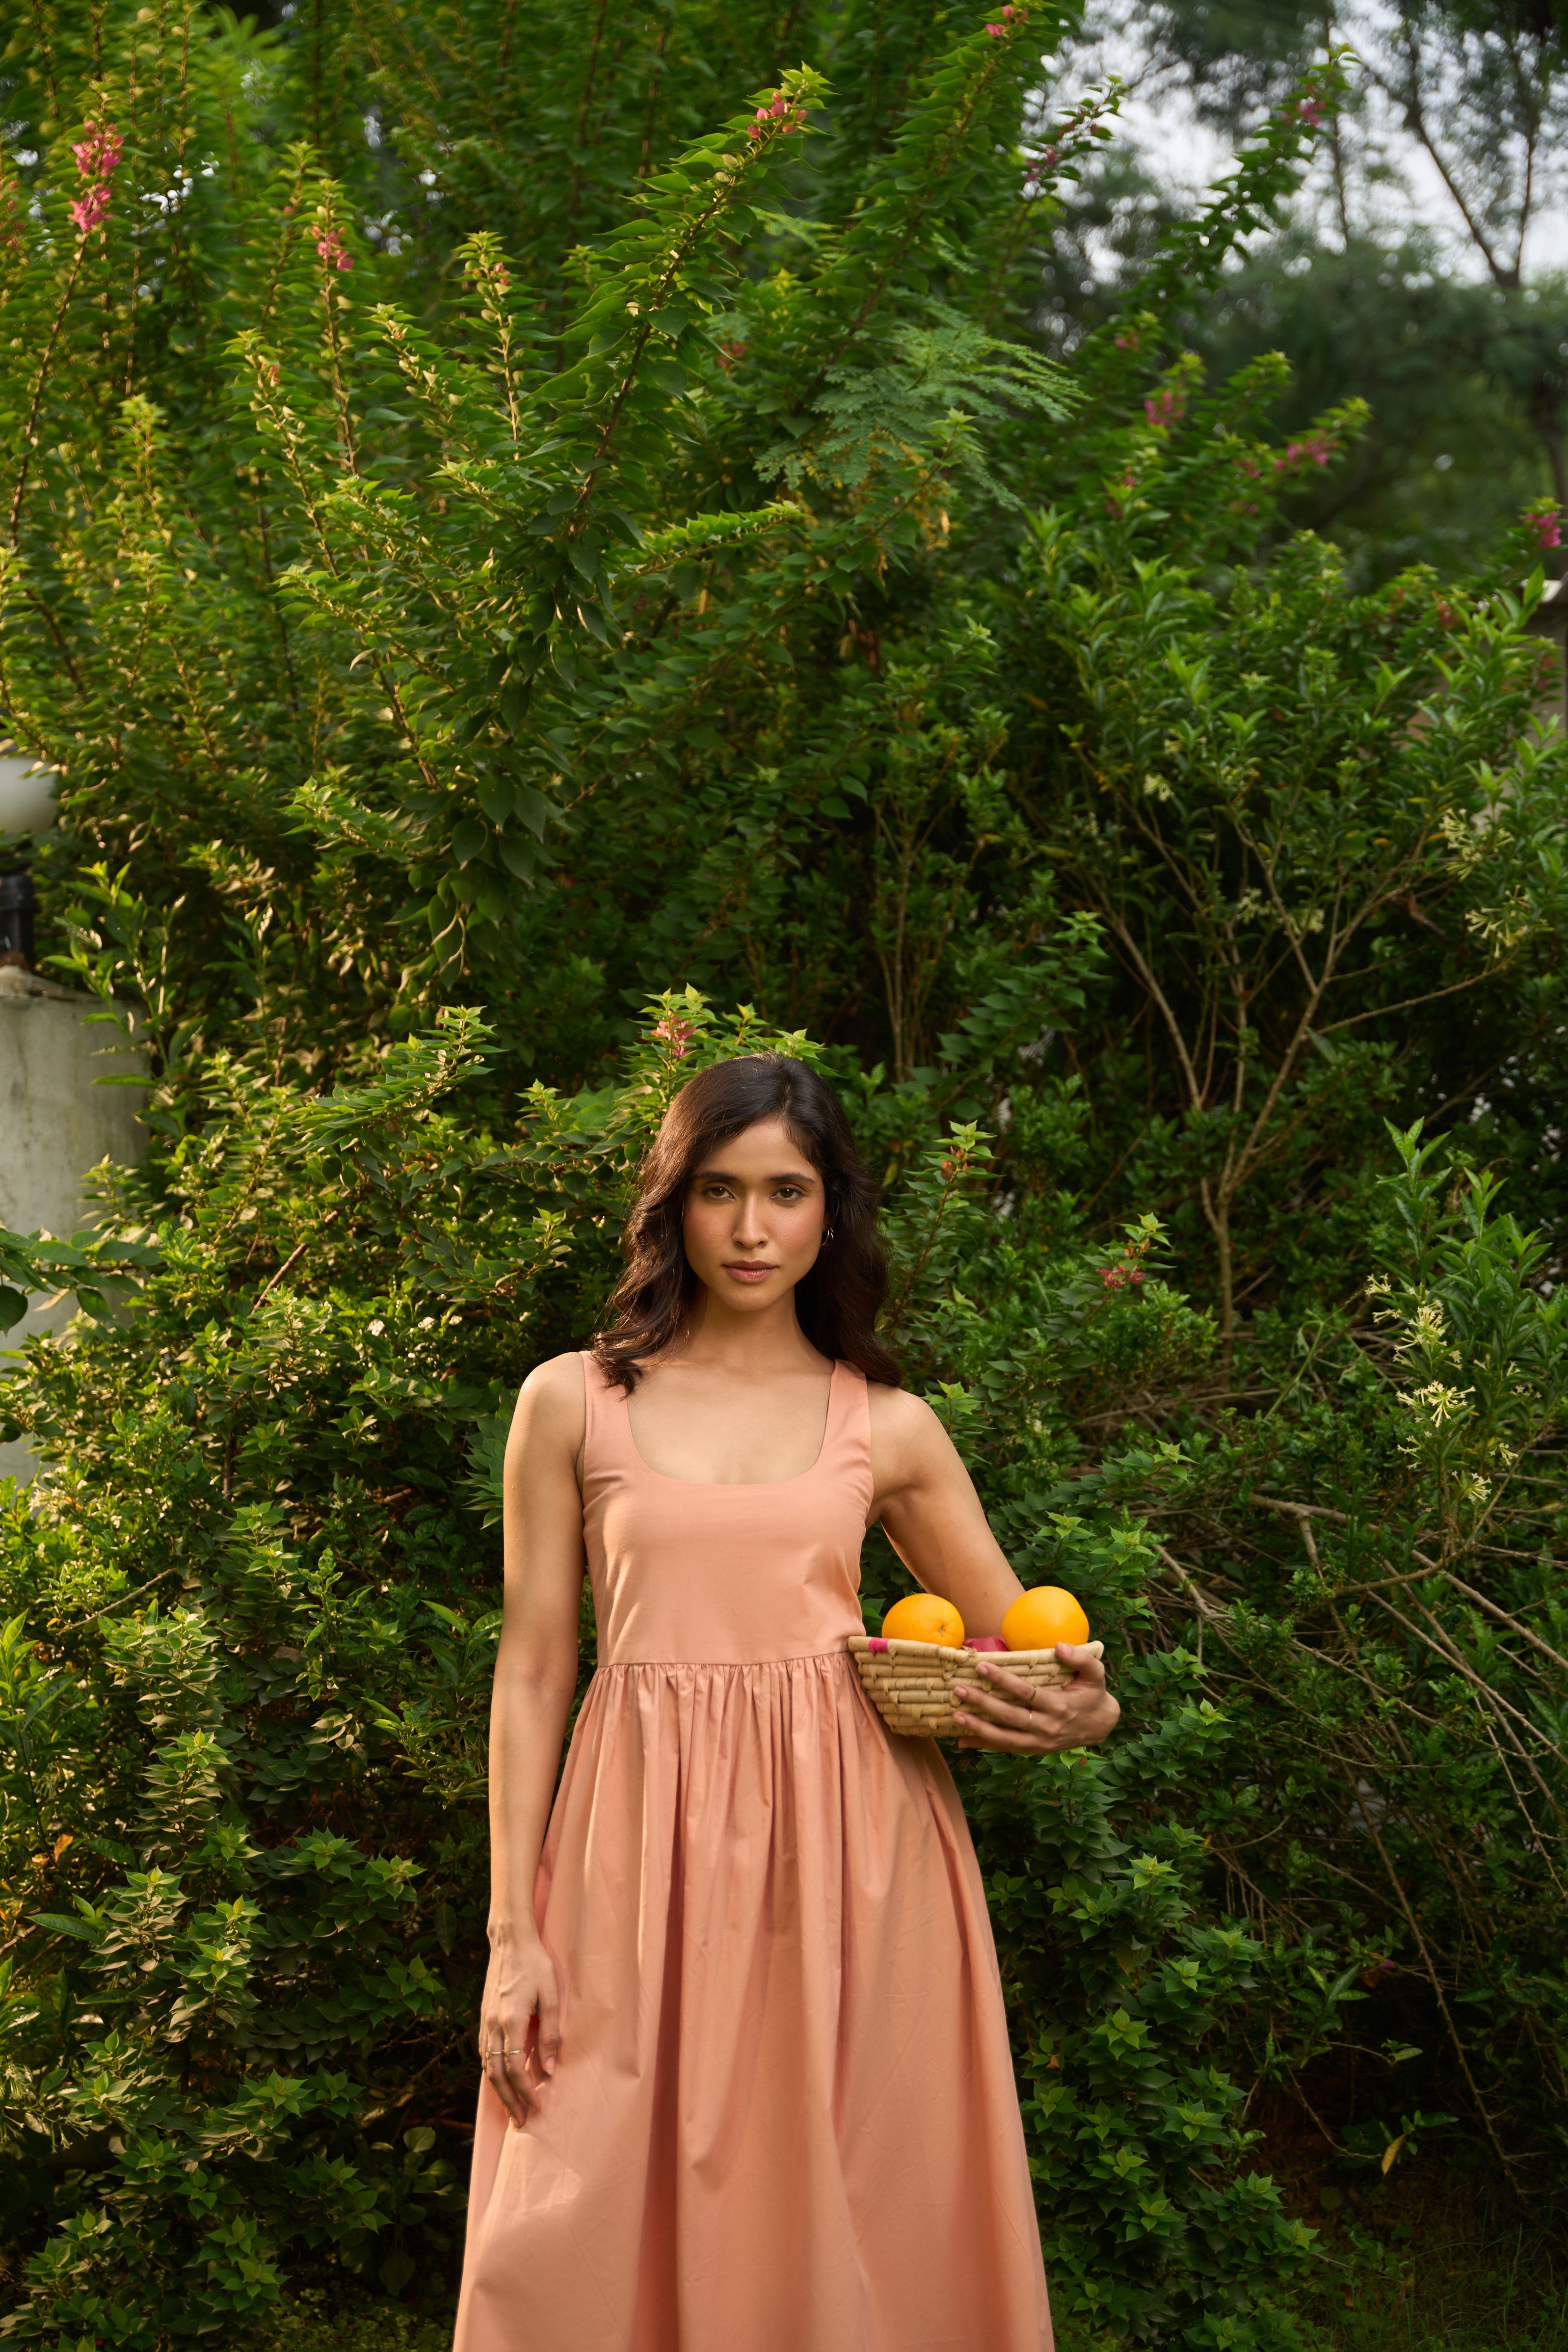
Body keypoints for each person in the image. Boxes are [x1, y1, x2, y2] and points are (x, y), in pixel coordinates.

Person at [452, 1052, 1119, 2352]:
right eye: (718, 1191)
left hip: (856, 1867)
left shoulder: (889, 1425)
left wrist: (1078, 1710)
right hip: (630, 1864)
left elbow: (1018, 1644)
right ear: (673, 1204)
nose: (751, 1230)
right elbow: (535, 1667)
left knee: (857, 2197)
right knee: (573, 2198)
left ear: (830, 1211)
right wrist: (510, 1933)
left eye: (786, 1192)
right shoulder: (571, 1402)